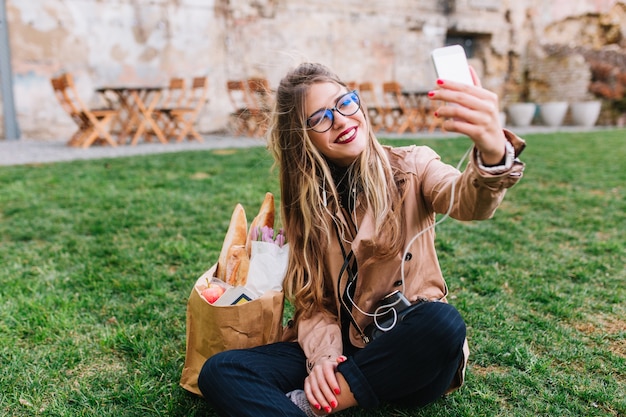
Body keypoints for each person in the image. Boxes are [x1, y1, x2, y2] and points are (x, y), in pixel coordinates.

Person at [198, 62, 525, 416]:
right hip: (341, 347)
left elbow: (466, 200)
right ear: (302, 139)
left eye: (344, 102)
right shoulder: (306, 204)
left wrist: (493, 154)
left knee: (442, 325)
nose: (340, 120)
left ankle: (318, 403)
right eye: (320, 118)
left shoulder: (413, 166)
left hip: (404, 350)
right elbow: (314, 301)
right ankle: (336, 388)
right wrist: (323, 359)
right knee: (221, 370)